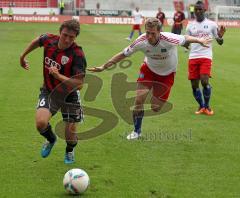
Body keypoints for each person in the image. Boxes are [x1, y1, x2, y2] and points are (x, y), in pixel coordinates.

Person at [88, 18, 211, 140]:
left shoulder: (168, 38)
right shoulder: (141, 41)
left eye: (153, 33)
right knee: (139, 101)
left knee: (155, 108)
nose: (149, 36)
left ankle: (154, 93)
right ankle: (136, 131)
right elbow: (122, 54)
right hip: (148, 70)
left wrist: (199, 40)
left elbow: (186, 37)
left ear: (159, 32)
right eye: (147, 32)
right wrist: (103, 66)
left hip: (167, 75)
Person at [19, 19, 87, 163]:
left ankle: (69, 150)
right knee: (40, 123)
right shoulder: (49, 40)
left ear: (76, 37)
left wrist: (58, 75)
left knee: (70, 136)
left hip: (70, 95)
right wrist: (22, 56)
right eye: (65, 35)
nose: (67, 39)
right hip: (49, 91)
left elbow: (79, 84)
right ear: (60, 32)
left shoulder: (77, 54)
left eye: (71, 37)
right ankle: (51, 139)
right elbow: (37, 41)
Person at [185, 1, 226, 115]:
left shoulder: (212, 24)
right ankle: (201, 106)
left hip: (206, 56)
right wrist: (184, 44)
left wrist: (220, 36)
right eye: (196, 9)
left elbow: (220, 41)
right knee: (194, 85)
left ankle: (207, 106)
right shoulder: (189, 25)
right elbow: (186, 41)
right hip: (193, 57)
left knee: (204, 81)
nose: (198, 11)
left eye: (200, 9)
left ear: (204, 10)